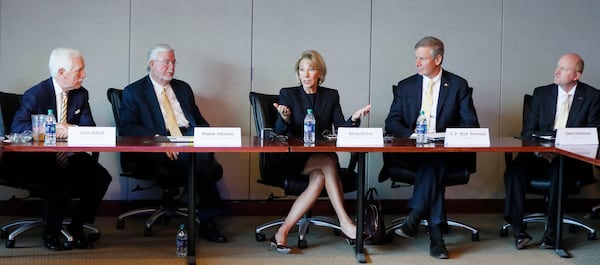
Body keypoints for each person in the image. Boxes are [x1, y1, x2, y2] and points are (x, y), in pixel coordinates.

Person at [118, 43, 227, 243]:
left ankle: (192, 195)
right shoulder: (134, 91)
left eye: (174, 62)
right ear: (152, 64)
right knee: (203, 162)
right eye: (166, 62)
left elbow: (200, 122)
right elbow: (128, 128)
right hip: (158, 144)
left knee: (198, 145)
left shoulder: (183, 88)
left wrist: (207, 136)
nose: (172, 67)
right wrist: (162, 142)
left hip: (187, 138)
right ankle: (208, 220)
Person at [383, 36, 479, 259]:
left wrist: (445, 138)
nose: (416, 63)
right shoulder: (406, 86)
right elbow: (392, 122)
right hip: (412, 152)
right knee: (431, 163)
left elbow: (470, 123)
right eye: (416, 58)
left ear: (438, 59)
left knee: (435, 159)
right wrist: (413, 134)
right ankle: (435, 237)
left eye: (422, 59)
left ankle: (415, 217)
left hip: (446, 152)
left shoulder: (457, 85)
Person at [268, 50, 371, 254]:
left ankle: (282, 232)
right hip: (293, 158)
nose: (306, 74)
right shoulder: (288, 94)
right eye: (302, 70)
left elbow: (341, 127)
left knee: (319, 177)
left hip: (321, 157)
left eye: (311, 69)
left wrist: (354, 119)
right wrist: (285, 118)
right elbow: (279, 132)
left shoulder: (330, 95)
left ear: (320, 74)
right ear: (298, 74)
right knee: (328, 161)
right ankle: (345, 222)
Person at [9, 48, 112, 250]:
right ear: (62, 72)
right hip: (37, 160)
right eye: (79, 70)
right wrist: (52, 129)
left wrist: (71, 130)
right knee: (59, 179)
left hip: (69, 156)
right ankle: (51, 233)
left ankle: (76, 227)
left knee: (101, 178)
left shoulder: (80, 94)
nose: (84, 75)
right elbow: (17, 127)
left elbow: (88, 128)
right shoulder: (36, 94)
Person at [504, 53, 600, 250]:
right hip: (538, 154)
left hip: (571, 159)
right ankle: (518, 229)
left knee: (560, 170)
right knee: (514, 171)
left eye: (563, 69)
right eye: (557, 66)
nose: (556, 71)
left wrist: (563, 146)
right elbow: (527, 131)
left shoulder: (592, 97)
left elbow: (594, 134)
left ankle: (552, 234)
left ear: (576, 75)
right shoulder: (542, 93)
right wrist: (542, 149)